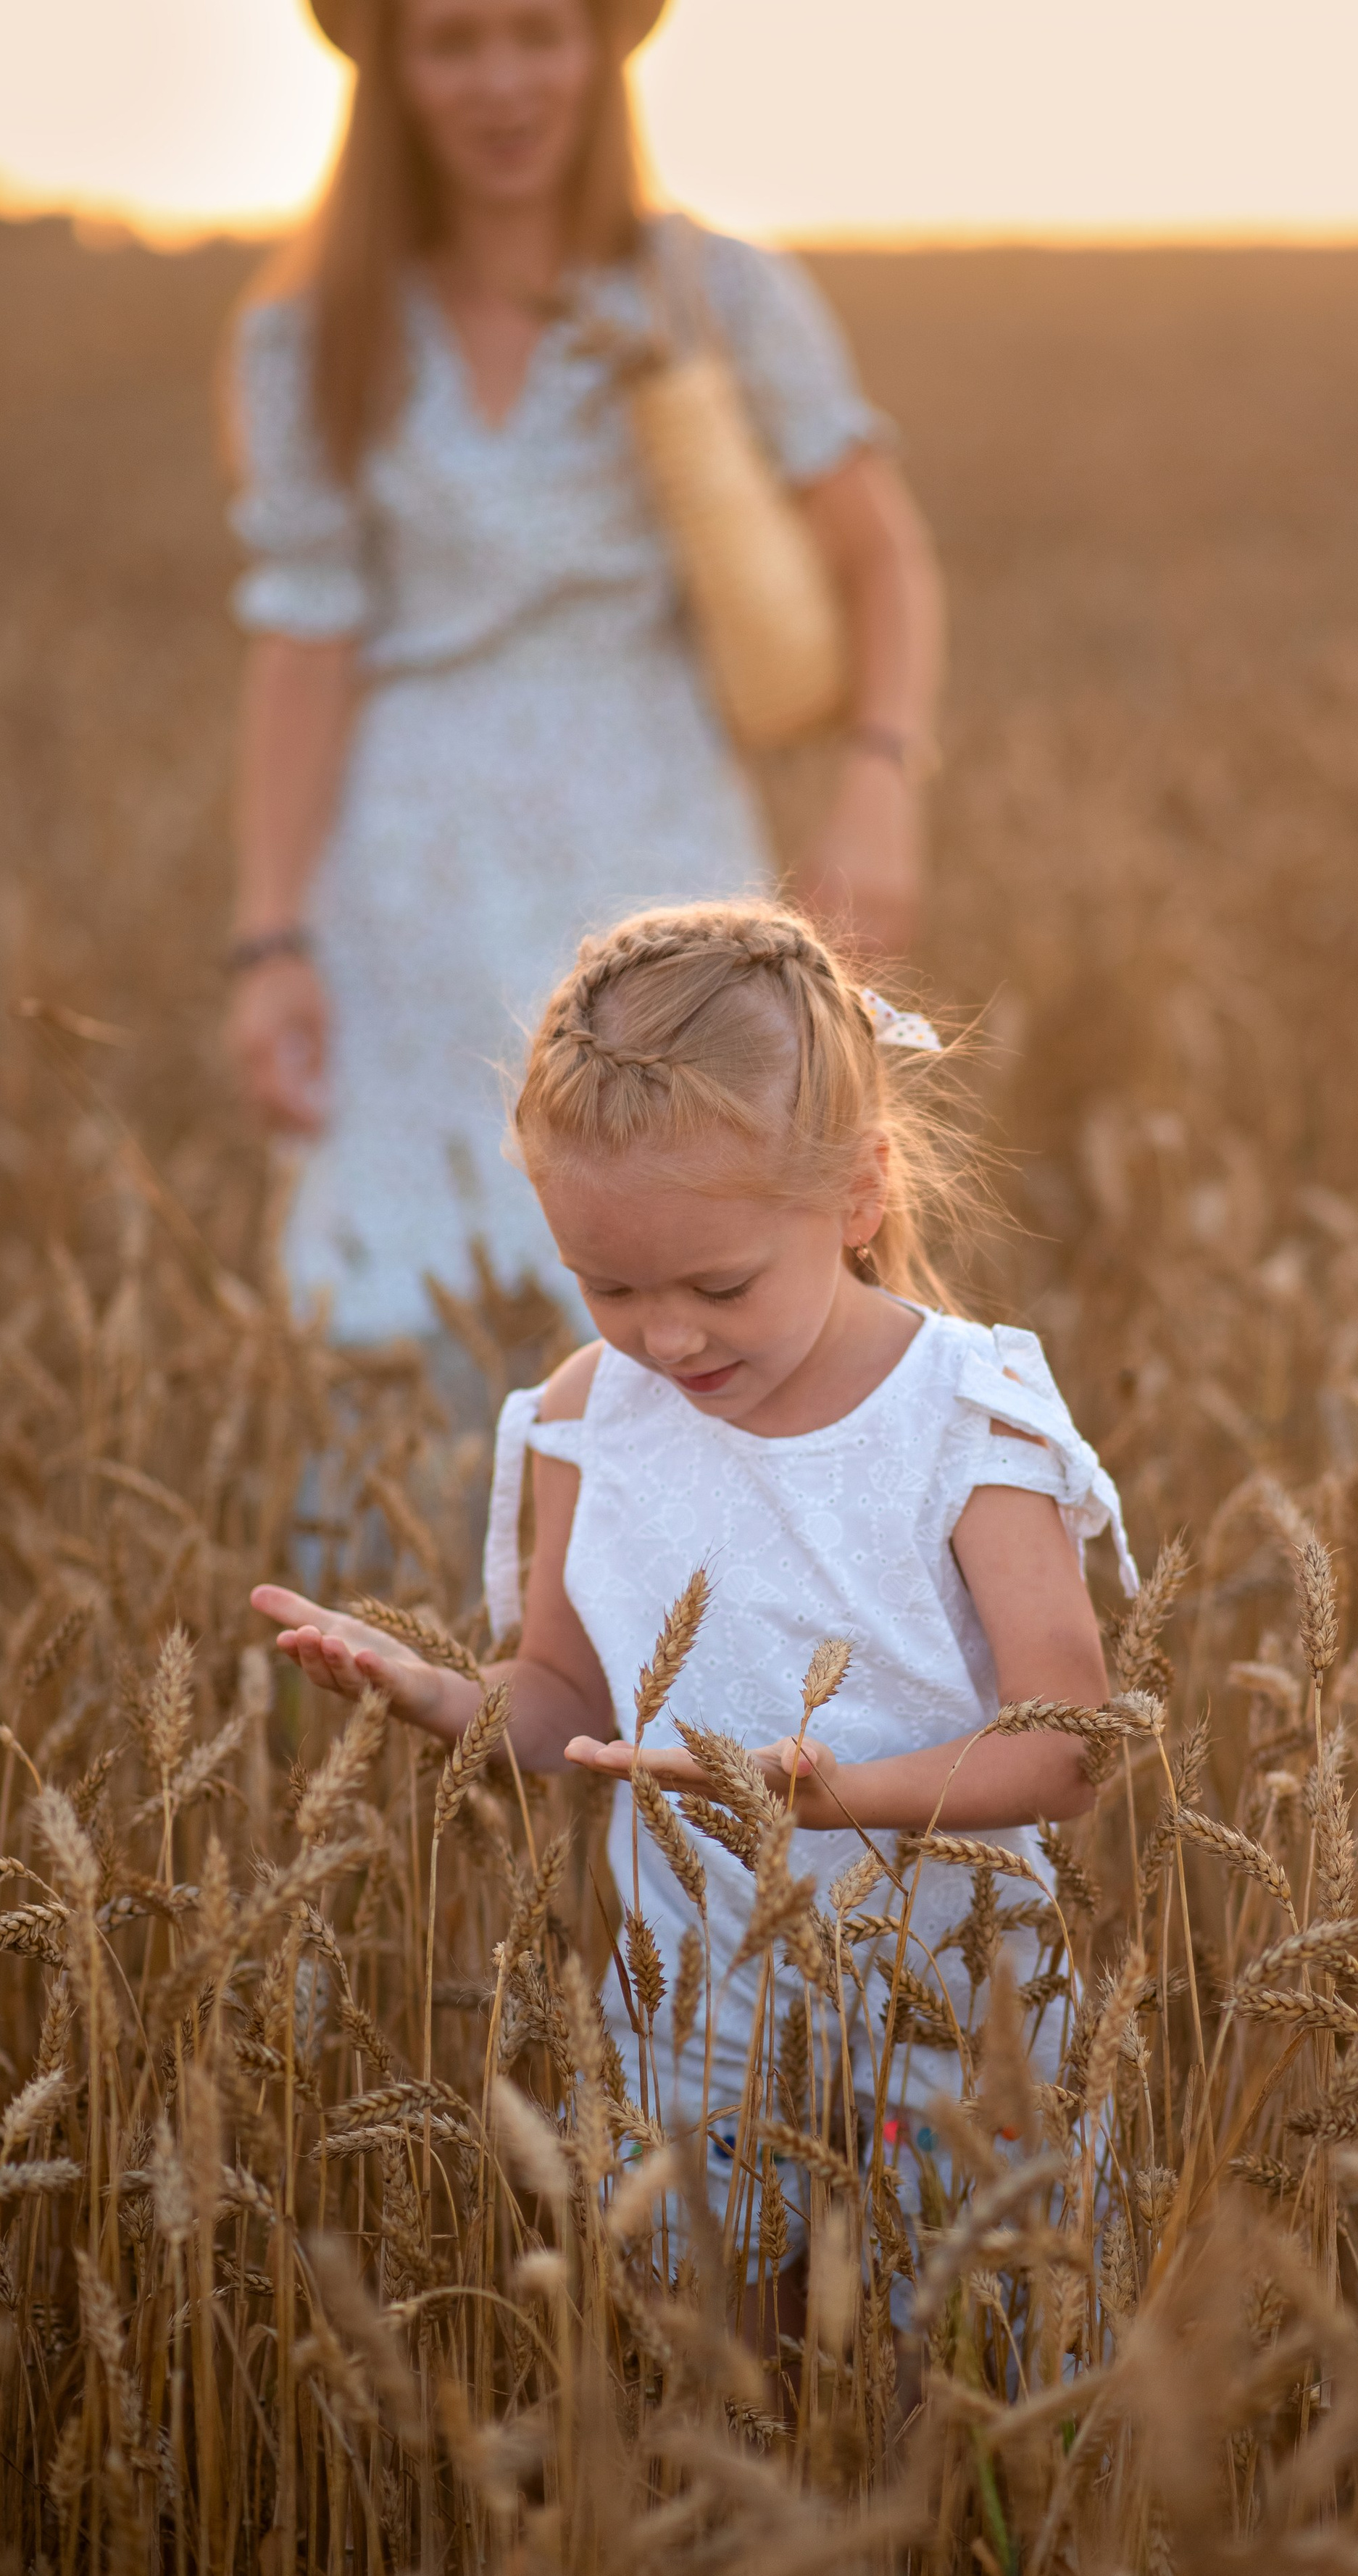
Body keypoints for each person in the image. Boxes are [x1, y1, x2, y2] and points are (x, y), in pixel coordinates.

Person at [251, 902, 1133, 2265]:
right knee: (727, 2360)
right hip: (697, 2015)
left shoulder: (969, 1417)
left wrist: (833, 1799)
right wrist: (442, 1696)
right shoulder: (589, 1415)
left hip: (960, 2023)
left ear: (859, 1193)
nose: (666, 1338)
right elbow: (567, 1695)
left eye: (720, 1287)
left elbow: (1070, 1746)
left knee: (950, 2355)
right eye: (607, 1287)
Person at [223, 0, 944, 1350]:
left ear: (601, 48)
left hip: (657, 849)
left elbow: (882, 556)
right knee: (405, 1292)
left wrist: (880, 781)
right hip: (406, 876)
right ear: (392, 70)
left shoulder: (714, 294)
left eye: (537, 33)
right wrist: (272, 940)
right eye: (453, 42)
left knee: (690, 1256)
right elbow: (306, 640)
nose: (501, 81)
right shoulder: (313, 334)